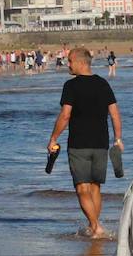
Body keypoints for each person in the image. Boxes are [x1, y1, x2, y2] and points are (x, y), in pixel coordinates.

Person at [47, 47, 122, 238]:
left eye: (70, 61)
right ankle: (95, 227)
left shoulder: (71, 86)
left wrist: (53, 138)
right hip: (101, 143)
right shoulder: (103, 84)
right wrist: (118, 139)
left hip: (79, 144)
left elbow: (65, 115)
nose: (67, 64)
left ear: (80, 63)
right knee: (95, 187)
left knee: (82, 188)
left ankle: (95, 226)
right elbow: (114, 114)